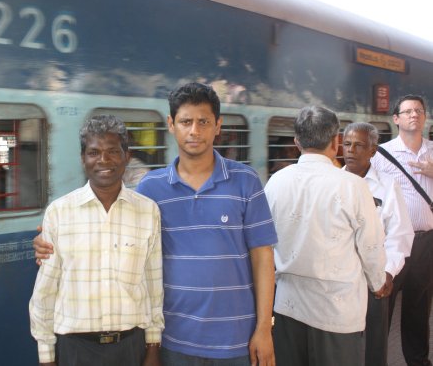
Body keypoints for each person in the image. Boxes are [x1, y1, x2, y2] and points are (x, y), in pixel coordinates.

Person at [35, 83, 278, 366]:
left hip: (235, 339)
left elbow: (263, 257)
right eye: (186, 122)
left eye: (203, 122)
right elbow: (116, 228)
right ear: (171, 125)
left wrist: (264, 328)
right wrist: (48, 241)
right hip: (174, 339)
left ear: (218, 125)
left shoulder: (246, 181)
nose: (194, 131)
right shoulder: (151, 189)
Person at [28, 115, 164, 366]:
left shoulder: (148, 211)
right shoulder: (59, 212)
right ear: (83, 158)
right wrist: (46, 356)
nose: (103, 160)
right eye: (94, 152)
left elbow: (154, 285)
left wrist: (153, 346)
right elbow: (45, 291)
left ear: (126, 156)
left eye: (113, 151)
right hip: (76, 348)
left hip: (131, 346)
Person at [264, 106, 387, 366]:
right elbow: (371, 246)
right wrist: (378, 283)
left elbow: (265, 243)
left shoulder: (276, 182)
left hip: (287, 307)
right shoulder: (353, 186)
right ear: (336, 141)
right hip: (336, 314)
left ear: (297, 142)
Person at [342, 122, 414, 366]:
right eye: (347, 144)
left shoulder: (388, 185)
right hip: (338, 280)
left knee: (374, 347)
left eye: (359, 145)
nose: (351, 150)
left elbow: (400, 233)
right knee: (342, 346)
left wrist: (387, 272)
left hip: (374, 280)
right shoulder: (333, 183)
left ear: (373, 151)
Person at [370, 94, 433, 366]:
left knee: (419, 309)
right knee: (383, 307)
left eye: (419, 110)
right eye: (407, 111)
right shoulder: (381, 155)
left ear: (425, 117)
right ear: (396, 119)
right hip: (392, 244)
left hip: (426, 242)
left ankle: (418, 362)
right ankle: (374, 360)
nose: (414, 114)